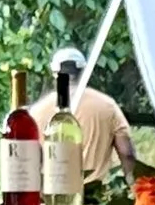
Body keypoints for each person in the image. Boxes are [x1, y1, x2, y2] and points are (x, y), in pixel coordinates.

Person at [54, 50, 135, 183]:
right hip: (94, 195)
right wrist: (130, 182)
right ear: (85, 72)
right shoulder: (107, 105)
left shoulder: (37, 111)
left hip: (50, 196)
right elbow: (126, 153)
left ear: (54, 74)